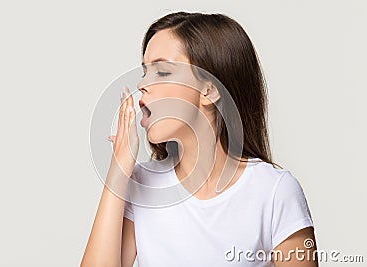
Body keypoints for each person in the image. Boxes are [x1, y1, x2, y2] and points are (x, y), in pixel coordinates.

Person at [81, 12, 317, 267]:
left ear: (209, 89)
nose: (142, 84)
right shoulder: (141, 185)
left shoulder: (274, 192)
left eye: (161, 71)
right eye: (144, 72)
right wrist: (119, 171)